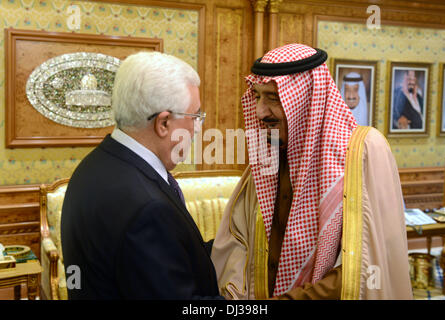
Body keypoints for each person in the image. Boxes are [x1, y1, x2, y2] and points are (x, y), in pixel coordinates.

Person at [211, 44, 413, 300]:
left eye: (273, 98)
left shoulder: (363, 152)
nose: (260, 111)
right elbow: (240, 241)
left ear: (306, 98)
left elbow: (365, 267)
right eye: (257, 96)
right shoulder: (268, 154)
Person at [61, 51, 222, 299]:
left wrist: (230, 244)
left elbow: (169, 259)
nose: (198, 128)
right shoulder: (148, 210)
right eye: (195, 116)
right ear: (164, 123)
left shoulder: (93, 166)